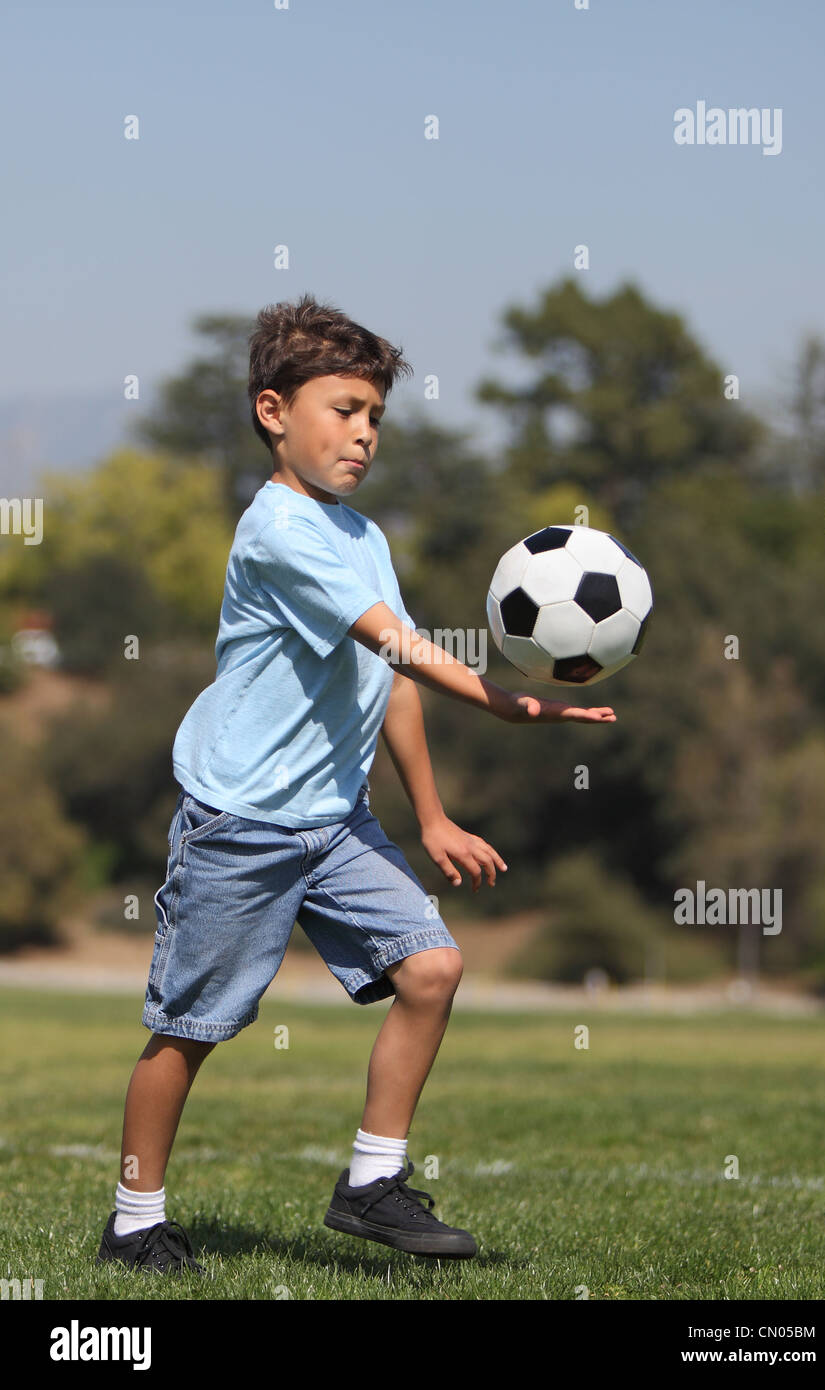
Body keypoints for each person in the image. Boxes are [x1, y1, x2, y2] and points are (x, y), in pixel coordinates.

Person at [97, 293, 616, 1275]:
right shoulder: (276, 532)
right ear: (271, 411)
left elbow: (388, 685)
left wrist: (429, 814)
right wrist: (506, 703)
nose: (363, 434)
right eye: (343, 409)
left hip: (335, 822)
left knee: (431, 968)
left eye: (374, 416)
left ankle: (371, 1185)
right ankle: (133, 1221)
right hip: (241, 823)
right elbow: (404, 649)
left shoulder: (361, 537)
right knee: (190, 1030)